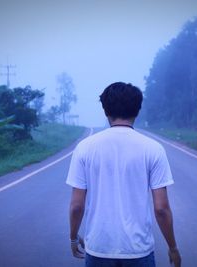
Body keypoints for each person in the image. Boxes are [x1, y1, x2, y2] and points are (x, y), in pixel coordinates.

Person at [66, 82, 181, 267]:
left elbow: (76, 206)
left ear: (105, 111)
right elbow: (161, 209)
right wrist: (173, 247)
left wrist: (73, 237)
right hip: (138, 250)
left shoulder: (85, 148)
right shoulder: (153, 149)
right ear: (137, 111)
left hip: (98, 248)